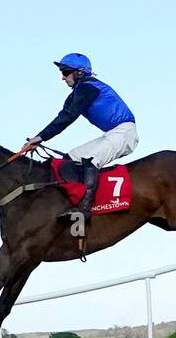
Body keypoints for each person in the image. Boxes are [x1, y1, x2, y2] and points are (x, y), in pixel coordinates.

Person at [23, 54, 138, 224]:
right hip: (112, 133)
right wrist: (37, 139)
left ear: (79, 73)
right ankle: (68, 201)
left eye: (66, 72)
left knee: (89, 161)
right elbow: (62, 117)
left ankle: (84, 209)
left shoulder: (88, 87)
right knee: (70, 159)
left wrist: (40, 138)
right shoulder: (76, 93)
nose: (63, 77)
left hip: (124, 132)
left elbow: (69, 117)